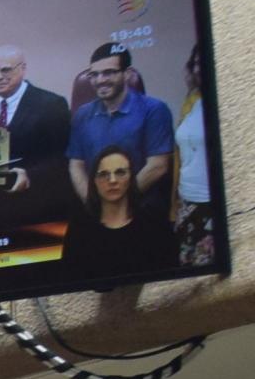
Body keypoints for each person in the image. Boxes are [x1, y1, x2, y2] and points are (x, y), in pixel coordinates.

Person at [68, 40, 176, 216]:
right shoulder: (82, 114)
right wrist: (92, 202)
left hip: (141, 211)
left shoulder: (154, 110)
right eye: (94, 75)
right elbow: (76, 166)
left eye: (108, 73)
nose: (100, 80)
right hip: (97, 214)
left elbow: (158, 166)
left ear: (127, 74)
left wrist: (118, 203)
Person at [0, 44, 71, 228]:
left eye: (6, 70)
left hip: (35, 203)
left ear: (23, 68)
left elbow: (62, 158)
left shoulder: (51, 104)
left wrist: (29, 175)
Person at [60, 144, 178, 285]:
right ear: (94, 182)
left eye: (120, 172)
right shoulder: (80, 229)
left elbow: (170, 276)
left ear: (131, 178)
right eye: (104, 174)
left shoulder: (154, 223)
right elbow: (70, 279)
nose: (112, 180)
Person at [172, 40, 221, 269]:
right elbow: (180, 154)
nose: (200, 69)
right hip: (187, 203)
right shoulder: (193, 102)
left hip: (210, 206)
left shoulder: (221, 102)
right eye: (197, 63)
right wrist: (175, 203)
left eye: (205, 62)